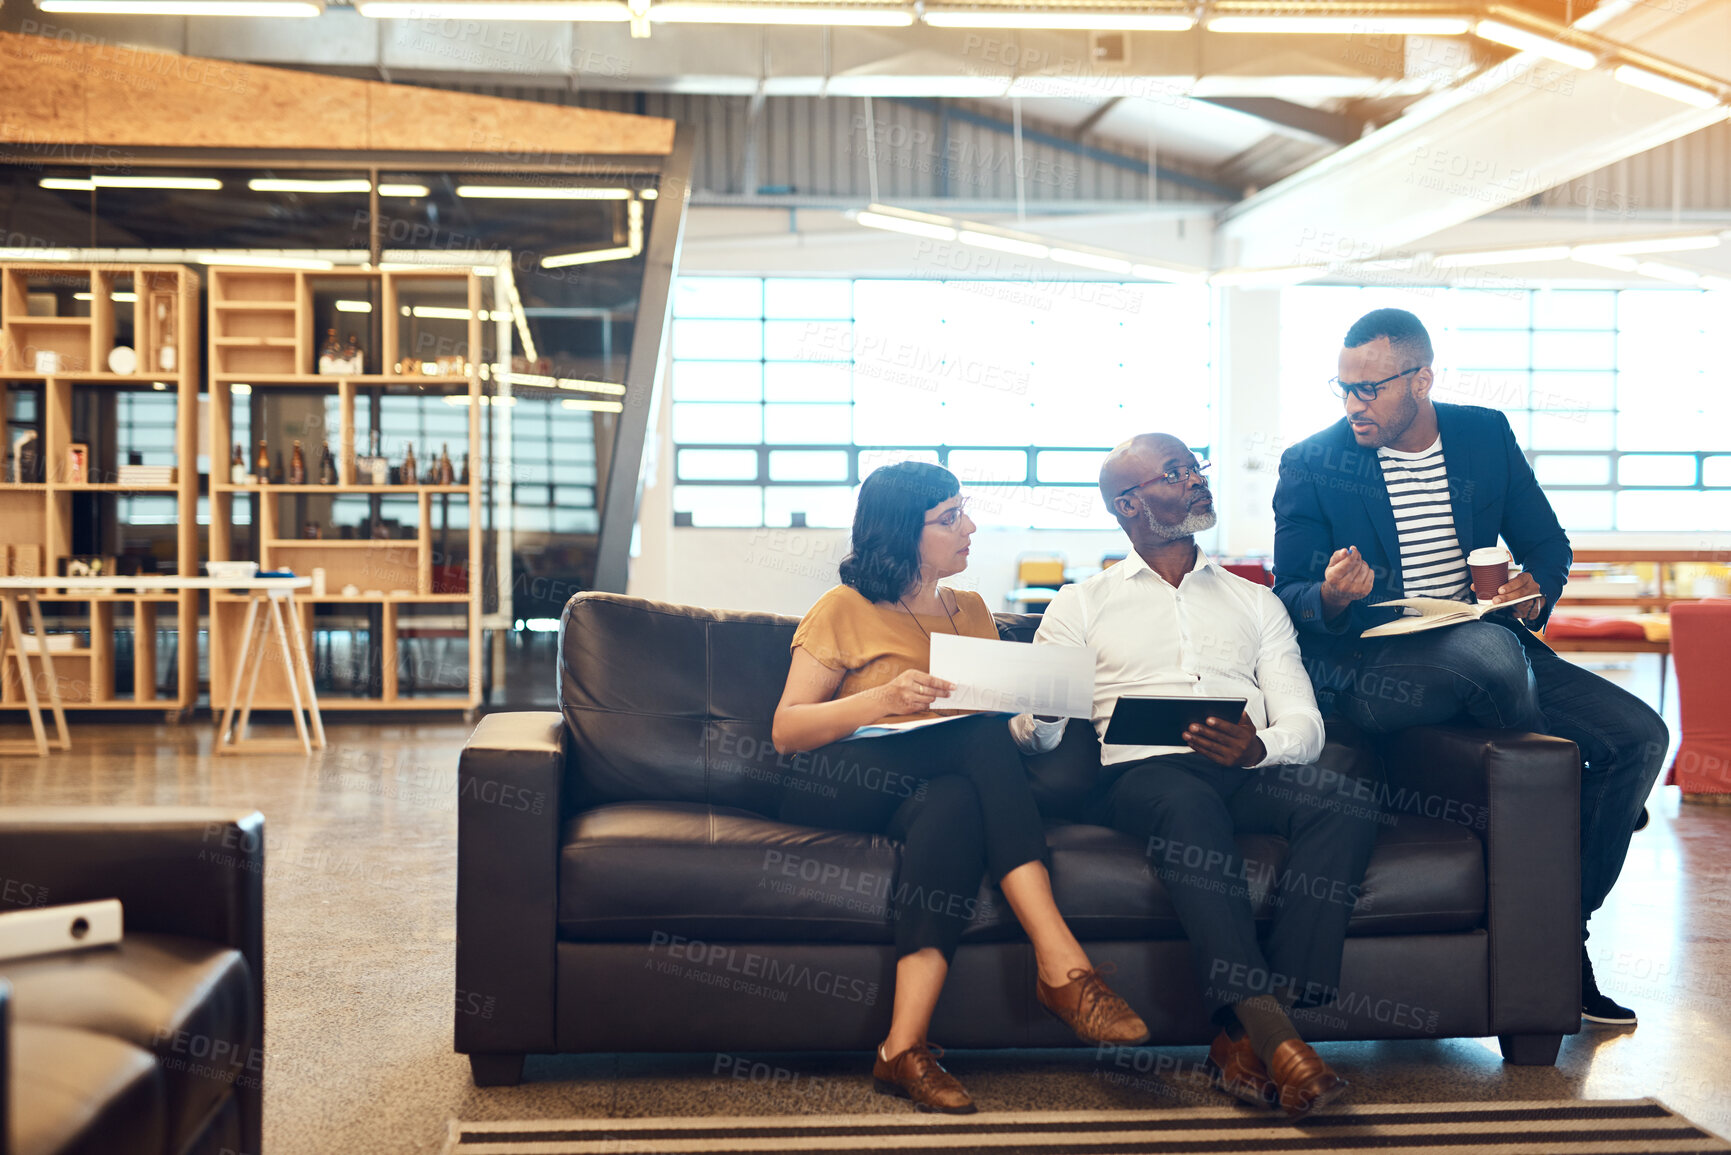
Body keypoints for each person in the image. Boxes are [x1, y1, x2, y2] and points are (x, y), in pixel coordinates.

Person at [1272, 307, 1669, 1027]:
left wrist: (1531, 591)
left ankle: (1555, 931)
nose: (1352, 404)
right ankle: (1560, 771)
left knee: (1640, 736)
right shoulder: (1312, 460)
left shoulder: (1482, 434)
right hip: (1373, 667)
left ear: (1421, 378)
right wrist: (1330, 593)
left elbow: (1547, 544)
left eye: (1368, 389)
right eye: (1342, 388)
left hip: (1485, 642)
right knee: (1490, 655)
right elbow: (1287, 593)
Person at [1011, 434, 1382, 1116]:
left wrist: (1257, 747)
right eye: (1174, 472)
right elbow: (1037, 739)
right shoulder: (1080, 603)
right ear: (1128, 503)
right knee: (1186, 805)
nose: (1194, 480)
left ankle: (1248, 1033)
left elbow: (1304, 722)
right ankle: (1279, 1039)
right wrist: (1039, 711)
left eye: (1194, 468)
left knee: (1347, 800)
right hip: (1141, 776)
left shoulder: (1255, 601)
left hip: (1242, 767)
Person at [772, 461, 1147, 1114]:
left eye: (963, 511)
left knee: (957, 801)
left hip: (932, 787)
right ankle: (1061, 963)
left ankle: (902, 1048)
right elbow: (785, 730)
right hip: (837, 781)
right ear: (899, 532)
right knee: (971, 739)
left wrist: (1046, 704)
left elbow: (997, 724)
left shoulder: (970, 610)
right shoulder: (843, 608)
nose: (968, 526)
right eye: (949, 517)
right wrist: (881, 700)